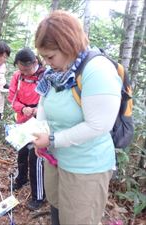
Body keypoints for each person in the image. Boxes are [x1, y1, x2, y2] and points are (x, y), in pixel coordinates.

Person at [32, 10, 122, 224]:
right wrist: (40, 132)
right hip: (56, 158)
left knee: (78, 218)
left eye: (50, 56)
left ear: (68, 46)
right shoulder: (54, 72)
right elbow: (43, 102)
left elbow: (98, 125)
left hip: (86, 166)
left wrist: (52, 139)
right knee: (57, 209)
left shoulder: (97, 70)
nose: (46, 62)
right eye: (44, 56)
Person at [7, 48, 46, 211]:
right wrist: (22, 109)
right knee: (22, 152)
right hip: (23, 119)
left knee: (35, 157)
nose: (23, 72)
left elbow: (51, 100)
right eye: (21, 69)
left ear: (35, 63)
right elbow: (11, 98)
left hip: (39, 122)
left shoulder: (44, 76)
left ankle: (39, 195)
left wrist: (40, 110)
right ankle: (22, 178)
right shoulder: (17, 76)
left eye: (27, 69)